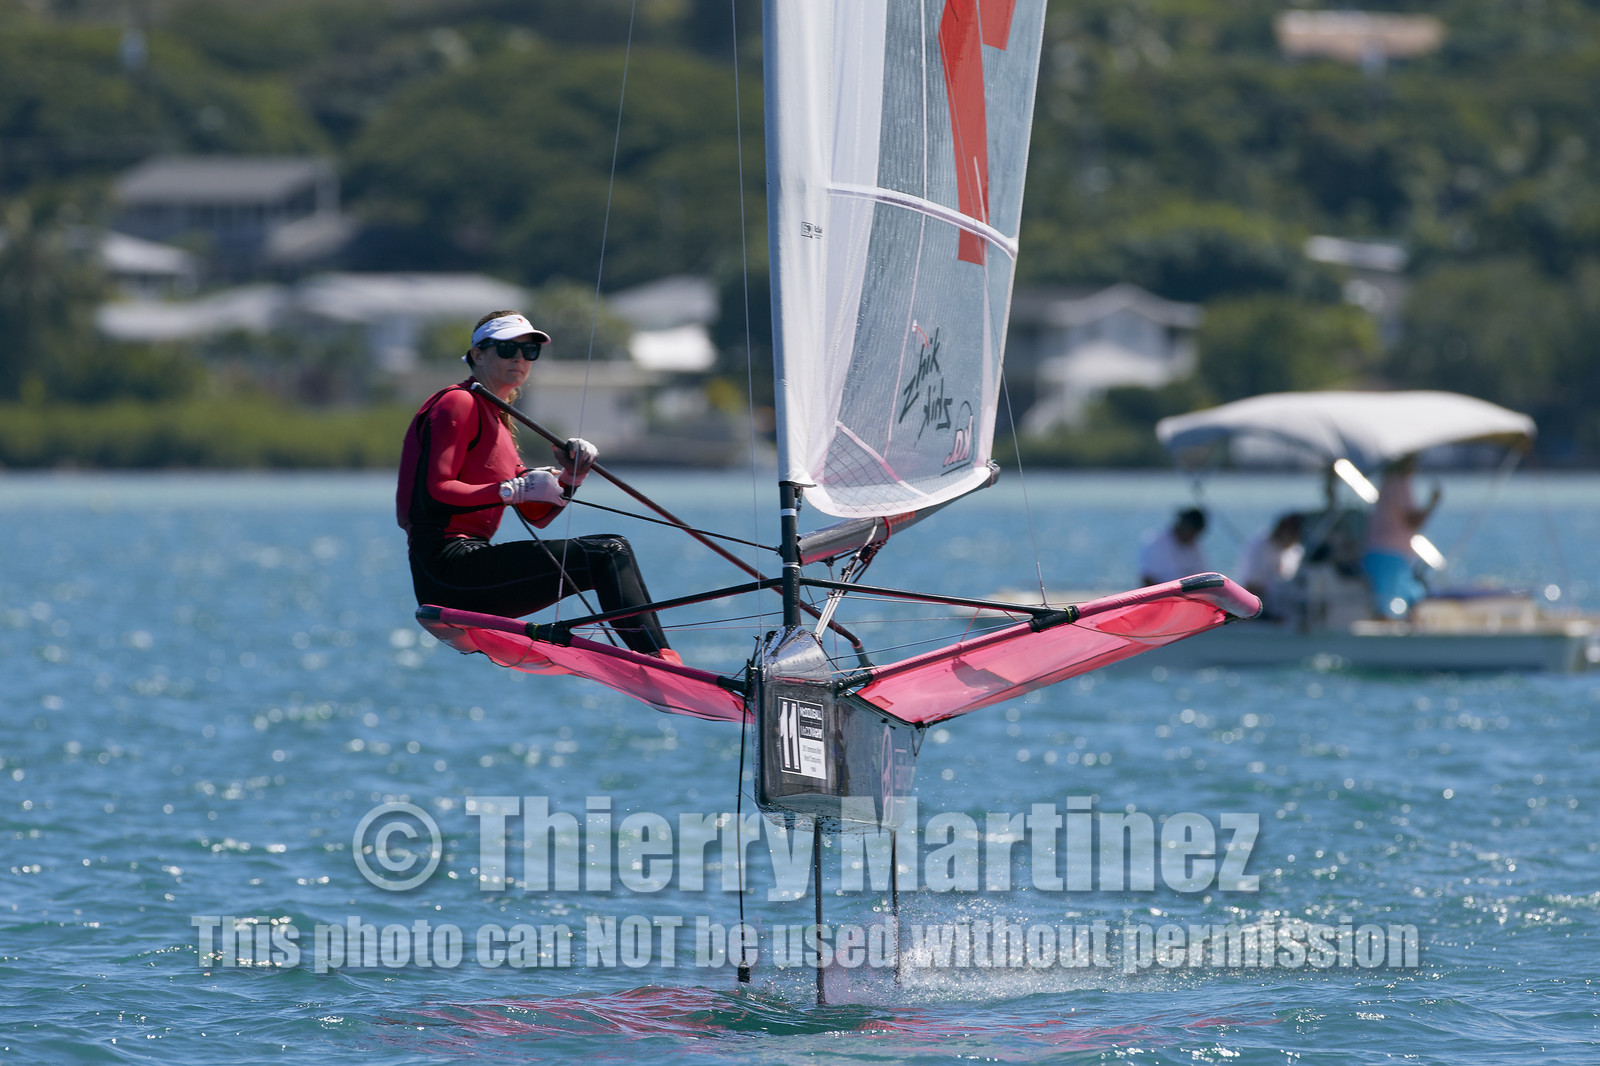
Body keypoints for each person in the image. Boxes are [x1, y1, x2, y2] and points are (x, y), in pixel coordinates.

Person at [397, 310, 676, 660]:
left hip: (468, 567)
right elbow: (437, 491)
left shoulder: (498, 419)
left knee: (612, 548)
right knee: (607, 554)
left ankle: (658, 657)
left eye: (529, 351)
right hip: (445, 570)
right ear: (478, 354)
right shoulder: (459, 402)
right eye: (506, 349)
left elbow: (536, 515)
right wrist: (511, 491)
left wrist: (570, 477)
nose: (519, 358)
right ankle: (657, 660)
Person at [1362, 454, 1439, 619]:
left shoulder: (1388, 483)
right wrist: (1433, 502)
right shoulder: (1398, 484)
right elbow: (1413, 520)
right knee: (1385, 610)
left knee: (1388, 605)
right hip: (1389, 555)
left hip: (1385, 554)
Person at [1238, 512, 1304, 620]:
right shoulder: (1259, 546)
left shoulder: (1296, 550)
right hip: (1262, 612)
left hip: (1289, 612)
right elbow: (1252, 586)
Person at [1137, 507, 1207, 585]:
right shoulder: (1154, 542)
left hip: (1188, 596)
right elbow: (1147, 579)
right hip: (1162, 595)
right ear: (1183, 525)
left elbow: (1202, 577)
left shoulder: (1194, 546)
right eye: (1192, 532)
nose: (1193, 537)